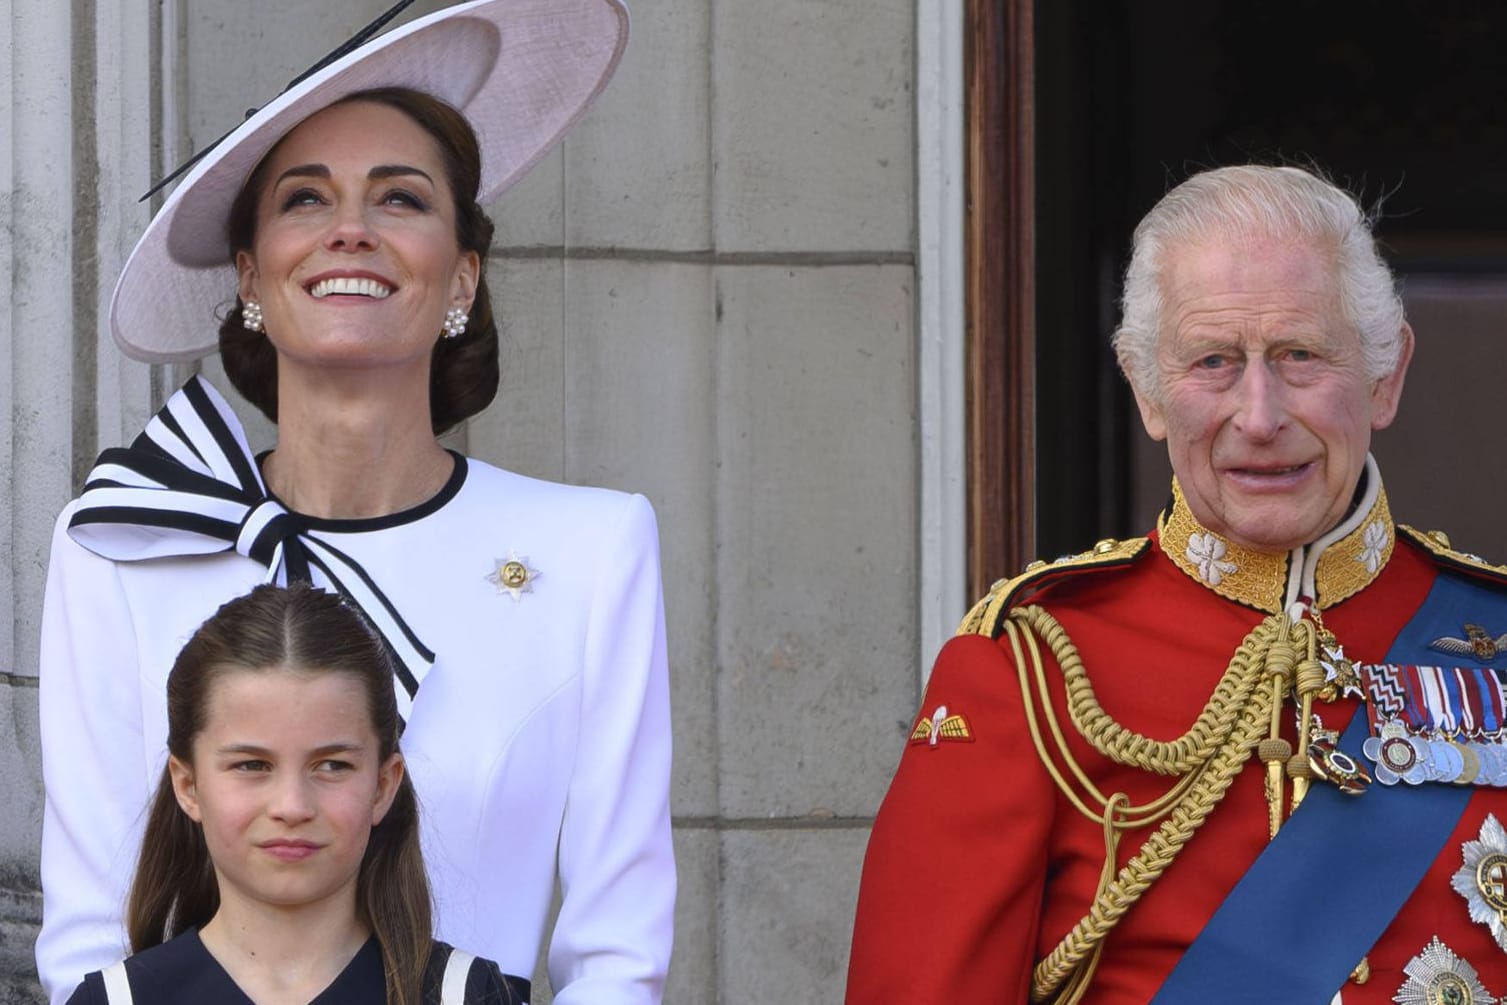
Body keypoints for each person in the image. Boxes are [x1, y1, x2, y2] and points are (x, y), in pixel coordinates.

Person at [37, 3, 674, 1004]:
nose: (350, 229)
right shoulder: (122, 546)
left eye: (400, 198)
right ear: (249, 271)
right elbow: (91, 940)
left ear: (463, 272)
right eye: (304, 199)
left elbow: (617, 960)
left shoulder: (593, 549)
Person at [846, 165, 1507, 1004]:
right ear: (1145, 390)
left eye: (1300, 354)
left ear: (1385, 376)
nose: (1259, 415)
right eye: (1213, 361)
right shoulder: (1035, 671)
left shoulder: (1493, 640)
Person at [65, 583, 524, 1005]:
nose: (292, 806)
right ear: (188, 785)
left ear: (383, 785)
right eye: (252, 765)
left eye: (331, 766)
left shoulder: (462, 994)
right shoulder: (118, 999)